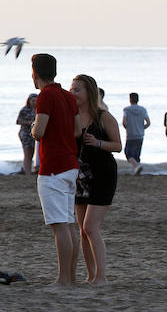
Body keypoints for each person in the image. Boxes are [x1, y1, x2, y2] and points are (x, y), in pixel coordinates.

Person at [29, 53, 82, 287]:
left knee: (59, 225)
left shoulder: (46, 96)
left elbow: (39, 131)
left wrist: (33, 128)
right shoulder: (68, 97)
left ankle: (63, 279)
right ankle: (70, 276)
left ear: (35, 73)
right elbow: (77, 130)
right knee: (69, 224)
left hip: (53, 168)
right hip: (71, 164)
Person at [72, 74, 122, 285]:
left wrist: (98, 143)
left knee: (91, 227)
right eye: (72, 89)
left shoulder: (103, 117)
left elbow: (118, 146)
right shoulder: (71, 116)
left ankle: (102, 276)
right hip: (80, 175)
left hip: (103, 174)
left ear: (89, 92)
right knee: (83, 230)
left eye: (77, 90)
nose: (73, 93)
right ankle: (90, 275)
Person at [122, 92, 151, 174]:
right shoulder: (143, 109)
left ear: (130, 99)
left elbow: (124, 122)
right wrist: (142, 128)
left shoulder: (126, 109)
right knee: (137, 155)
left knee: (128, 154)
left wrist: (128, 128)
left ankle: (137, 167)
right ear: (138, 99)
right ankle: (137, 169)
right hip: (140, 135)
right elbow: (148, 122)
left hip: (131, 135)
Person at [16, 93, 38, 174]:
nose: (34, 102)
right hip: (25, 134)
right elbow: (18, 121)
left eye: (36, 100)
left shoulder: (39, 109)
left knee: (34, 153)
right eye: (33, 100)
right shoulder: (25, 110)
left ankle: (33, 170)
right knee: (27, 154)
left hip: (35, 134)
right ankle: (27, 172)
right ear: (29, 101)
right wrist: (29, 122)